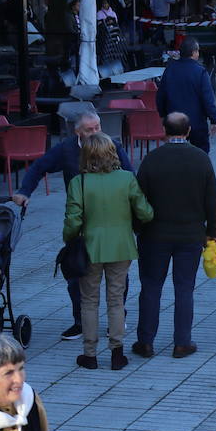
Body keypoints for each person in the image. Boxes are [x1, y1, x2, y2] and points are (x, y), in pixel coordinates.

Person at [14, 110, 133, 341]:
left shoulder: (112, 145)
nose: (96, 132)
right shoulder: (67, 149)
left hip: (113, 222)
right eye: (90, 129)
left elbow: (131, 177)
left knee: (117, 274)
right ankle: (80, 321)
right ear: (77, 132)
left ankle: (117, 318)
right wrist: (24, 191)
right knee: (76, 270)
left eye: (98, 126)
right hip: (80, 222)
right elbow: (39, 167)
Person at [62, 133, 154, 370]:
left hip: (90, 248)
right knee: (116, 300)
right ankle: (117, 353)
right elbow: (145, 213)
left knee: (89, 301)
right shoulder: (126, 179)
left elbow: (73, 221)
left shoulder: (78, 182)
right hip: (121, 246)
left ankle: (90, 354)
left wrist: (69, 240)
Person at [133, 113, 216, 359]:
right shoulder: (201, 159)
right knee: (184, 289)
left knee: (150, 287)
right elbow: (212, 200)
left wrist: (139, 228)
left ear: (164, 131)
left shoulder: (151, 159)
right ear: (189, 130)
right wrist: (212, 233)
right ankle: (182, 342)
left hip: (154, 235)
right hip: (190, 235)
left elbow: (139, 200)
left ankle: (146, 342)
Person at [156, 38, 216, 152]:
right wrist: (214, 120)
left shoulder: (169, 70)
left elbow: (160, 96)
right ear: (194, 52)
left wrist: (163, 115)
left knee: (175, 157)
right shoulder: (200, 72)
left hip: (174, 122)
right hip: (197, 123)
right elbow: (208, 100)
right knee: (200, 157)